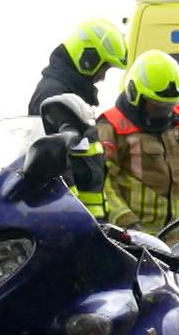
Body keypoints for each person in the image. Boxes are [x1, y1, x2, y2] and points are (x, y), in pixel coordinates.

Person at [30, 19, 127, 222]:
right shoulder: (53, 94)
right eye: (104, 68)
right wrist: (72, 216)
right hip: (71, 218)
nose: (102, 77)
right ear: (87, 60)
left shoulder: (71, 93)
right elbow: (56, 165)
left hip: (85, 218)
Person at [97, 50, 179, 234]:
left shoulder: (175, 126)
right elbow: (103, 184)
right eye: (158, 106)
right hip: (132, 242)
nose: (165, 113)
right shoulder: (111, 127)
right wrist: (128, 223)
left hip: (174, 240)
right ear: (136, 94)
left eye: (169, 106)